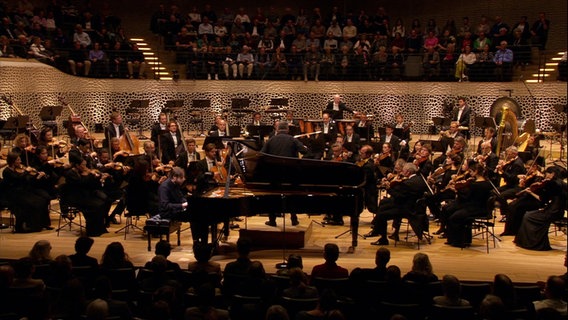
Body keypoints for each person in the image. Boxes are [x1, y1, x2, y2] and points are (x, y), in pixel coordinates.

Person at [262, 121, 307, 227]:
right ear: (287, 130)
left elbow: (262, 154)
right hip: (291, 174)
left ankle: (272, 220)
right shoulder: (292, 139)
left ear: (277, 130)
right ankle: (294, 219)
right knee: (292, 196)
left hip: (274, 174)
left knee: (272, 197)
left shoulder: (271, 140)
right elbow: (304, 151)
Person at [515, 166, 567, 251]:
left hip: (551, 212)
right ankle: (535, 241)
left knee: (528, 216)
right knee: (529, 215)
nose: (545, 175)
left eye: (546, 173)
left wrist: (531, 192)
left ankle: (532, 243)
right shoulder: (562, 183)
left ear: (552, 174)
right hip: (558, 211)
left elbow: (542, 199)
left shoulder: (552, 184)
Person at [441, 162, 493, 247]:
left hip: (475, 209)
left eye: (471, 171)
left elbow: (467, 198)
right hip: (480, 207)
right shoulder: (487, 183)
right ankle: (459, 239)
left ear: (476, 171)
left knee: (454, 217)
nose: (470, 173)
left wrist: (456, 191)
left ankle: (458, 241)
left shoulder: (475, 185)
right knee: (451, 212)